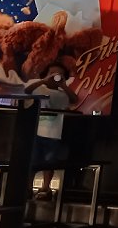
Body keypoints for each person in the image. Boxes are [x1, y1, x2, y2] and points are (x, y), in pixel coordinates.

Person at [25, 62, 78, 200]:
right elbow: (27, 91)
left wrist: (63, 85)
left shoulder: (62, 94)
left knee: (49, 161)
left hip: (54, 132)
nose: (54, 76)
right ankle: (28, 188)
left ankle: (45, 188)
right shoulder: (38, 87)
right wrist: (44, 80)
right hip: (36, 130)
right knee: (32, 160)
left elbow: (74, 100)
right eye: (52, 73)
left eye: (58, 74)